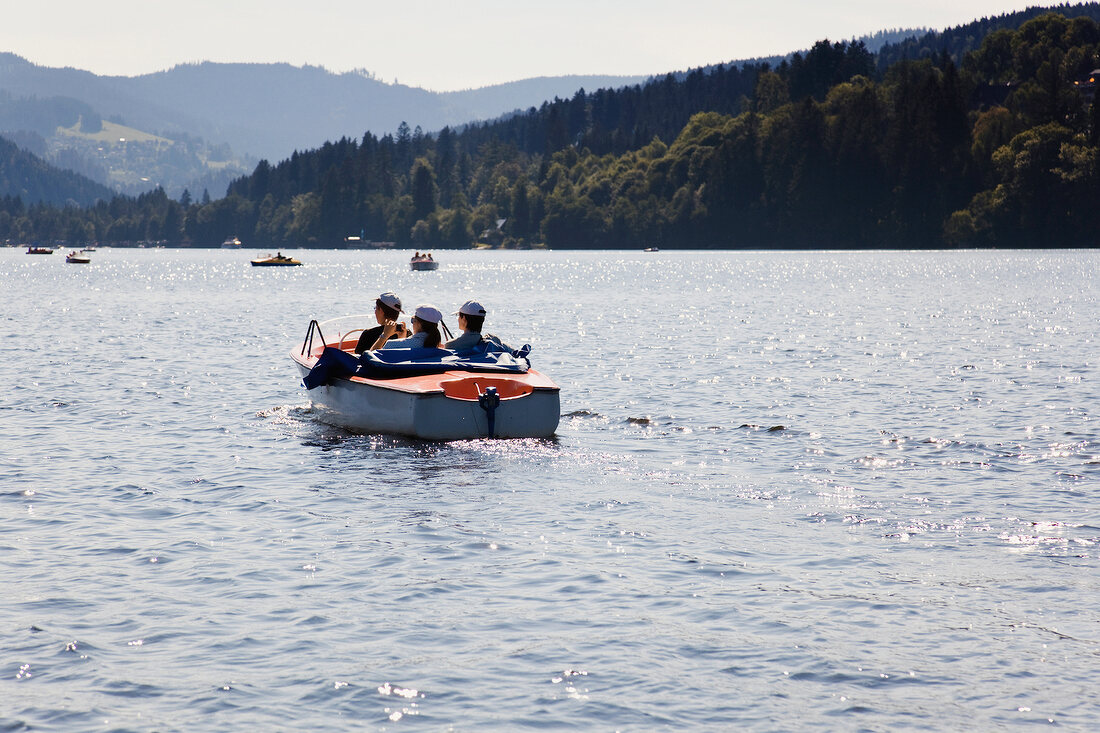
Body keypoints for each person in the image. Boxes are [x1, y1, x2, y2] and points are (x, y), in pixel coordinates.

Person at [372, 304, 444, 350]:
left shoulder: (391, 345)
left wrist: (384, 335)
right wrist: (402, 337)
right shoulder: (436, 347)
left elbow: (371, 358)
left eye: (413, 320)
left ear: (419, 324)